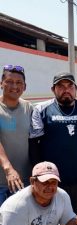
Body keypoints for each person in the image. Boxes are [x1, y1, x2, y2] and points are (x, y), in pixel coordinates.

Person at [29, 72, 77, 216]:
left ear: (75, 89)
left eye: (70, 86)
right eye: (60, 86)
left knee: (76, 216)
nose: (66, 90)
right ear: (53, 89)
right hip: (49, 179)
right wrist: (38, 175)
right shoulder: (42, 110)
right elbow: (34, 143)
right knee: (48, 217)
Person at [0, 65, 33, 205]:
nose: (14, 86)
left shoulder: (29, 108)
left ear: (24, 87)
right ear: (1, 84)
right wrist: (8, 169)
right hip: (1, 183)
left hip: (24, 181)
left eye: (19, 82)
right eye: (9, 81)